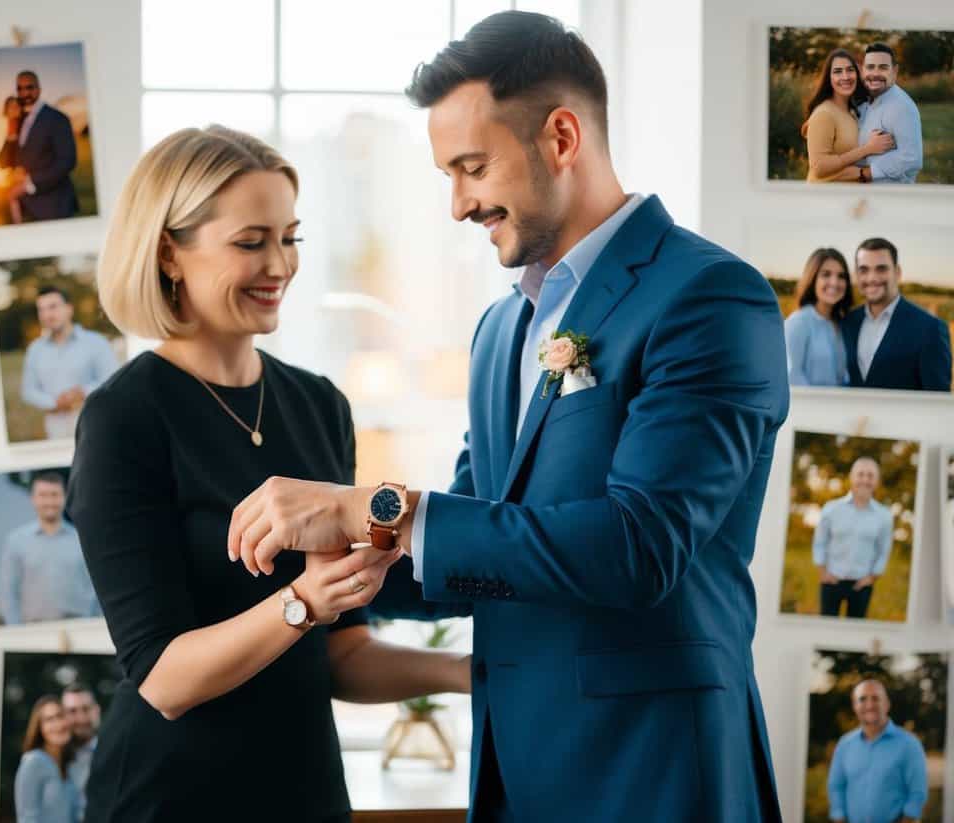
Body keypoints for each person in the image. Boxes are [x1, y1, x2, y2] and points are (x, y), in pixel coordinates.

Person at [227, 12, 790, 821]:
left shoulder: (710, 298)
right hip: (510, 771)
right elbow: (481, 540)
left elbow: (639, 546)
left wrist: (372, 504)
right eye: (446, 174)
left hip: (655, 770)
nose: (458, 203)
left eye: (472, 166)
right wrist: (324, 556)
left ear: (561, 136)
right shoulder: (502, 330)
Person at [68, 125, 471, 821]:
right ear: (170, 251)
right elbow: (164, 678)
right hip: (173, 799)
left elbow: (341, 652)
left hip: (305, 791)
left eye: (291, 237)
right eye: (251, 242)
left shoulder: (319, 404)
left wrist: (472, 676)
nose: (280, 264)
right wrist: (303, 602)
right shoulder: (123, 419)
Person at [841, 237, 952, 392]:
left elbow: (937, 400)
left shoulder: (930, 328)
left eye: (881, 269)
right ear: (856, 275)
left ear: (897, 272)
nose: (872, 278)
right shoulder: (847, 322)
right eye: (864, 270)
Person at [0, 472, 99, 625]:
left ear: (65, 498)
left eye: (54, 495)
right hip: (34, 631)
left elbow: (96, 590)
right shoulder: (16, 542)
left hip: (81, 628)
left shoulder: (83, 539)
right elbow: (8, 593)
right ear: (33, 499)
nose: (49, 501)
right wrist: (16, 632)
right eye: (43, 495)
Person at [19, 287, 119, 439]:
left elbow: (112, 380)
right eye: (41, 310)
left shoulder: (97, 342)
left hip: (94, 425)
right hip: (54, 429)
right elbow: (28, 390)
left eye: (52, 307)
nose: (47, 315)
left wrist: (82, 393)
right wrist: (54, 403)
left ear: (69, 309)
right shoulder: (35, 350)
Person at [827, 679, 927, 822]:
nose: (869, 705)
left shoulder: (909, 744)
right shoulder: (845, 744)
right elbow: (836, 786)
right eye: (862, 699)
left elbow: (917, 793)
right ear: (855, 706)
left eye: (875, 698)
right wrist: (839, 816)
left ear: (887, 704)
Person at [813, 457, 894, 619]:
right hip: (831, 581)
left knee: (855, 640)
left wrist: (871, 578)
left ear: (876, 481)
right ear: (852, 478)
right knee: (825, 638)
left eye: (870, 476)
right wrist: (823, 572)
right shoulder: (831, 509)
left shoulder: (884, 516)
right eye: (861, 474)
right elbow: (820, 542)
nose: (865, 479)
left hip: (862, 585)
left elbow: (883, 550)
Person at [0, 71, 78, 222]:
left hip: (53, 208)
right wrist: (11, 131)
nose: (24, 93)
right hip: (24, 210)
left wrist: (28, 184)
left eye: (29, 87)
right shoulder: (18, 122)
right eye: (20, 89)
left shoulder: (57, 119)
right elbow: (3, 163)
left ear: (39, 89)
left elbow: (67, 161)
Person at [801, 49, 893, 183]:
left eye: (850, 70)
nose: (845, 76)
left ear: (857, 73)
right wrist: (867, 150)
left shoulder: (851, 110)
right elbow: (819, 168)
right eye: (838, 72)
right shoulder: (824, 114)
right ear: (829, 78)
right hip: (824, 198)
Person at [784, 248, 852, 386]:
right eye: (826, 274)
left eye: (841, 276)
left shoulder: (843, 323)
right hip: (811, 406)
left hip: (843, 406)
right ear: (813, 279)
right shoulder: (798, 322)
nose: (834, 282)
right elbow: (792, 375)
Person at [858, 43, 924, 184]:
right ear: (863, 70)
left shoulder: (901, 106)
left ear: (894, 71)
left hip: (891, 197)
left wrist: (867, 173)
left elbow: (911, 157)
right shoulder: (864, 101)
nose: (875, 74)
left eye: (883, 67)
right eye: (870, 67)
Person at [15, 696, 79, 823]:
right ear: (39, 728)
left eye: (61, 716)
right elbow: (27, 818)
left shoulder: (68, 764)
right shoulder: (34, 762)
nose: (58, 724)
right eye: (49, 719)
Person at [61, 684, 100, 821]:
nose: (81, 718)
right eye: (72, 711)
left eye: (86, 709)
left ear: (96, 711)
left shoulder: (115, 754)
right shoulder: (52, 758)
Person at [1, 95, 26, 224]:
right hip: (14, 176)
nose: (13, 110)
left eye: (16, 107)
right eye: (10, 107)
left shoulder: (25, 128)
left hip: (28, 174)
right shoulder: (10, 130)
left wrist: (21, 170)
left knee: (12, 195)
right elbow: (3, 162)